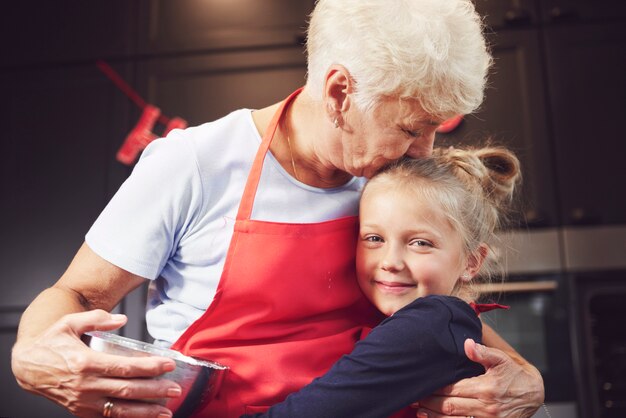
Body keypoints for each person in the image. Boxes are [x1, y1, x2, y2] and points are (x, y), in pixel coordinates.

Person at [11, 1, 544, 417]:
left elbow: (436, 312)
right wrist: (33, 351)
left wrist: (525, 376)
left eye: (435, 129)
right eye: (411, 127)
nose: (425, 151)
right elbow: (76, 293)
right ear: (340, 91)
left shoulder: (395, 180)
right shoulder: (197, 163)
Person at [242, 145, 521, 418]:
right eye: (374, 239)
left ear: (471, 262)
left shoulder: (429, 325)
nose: (390, 261)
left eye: (420, 243)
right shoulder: (430, 320)